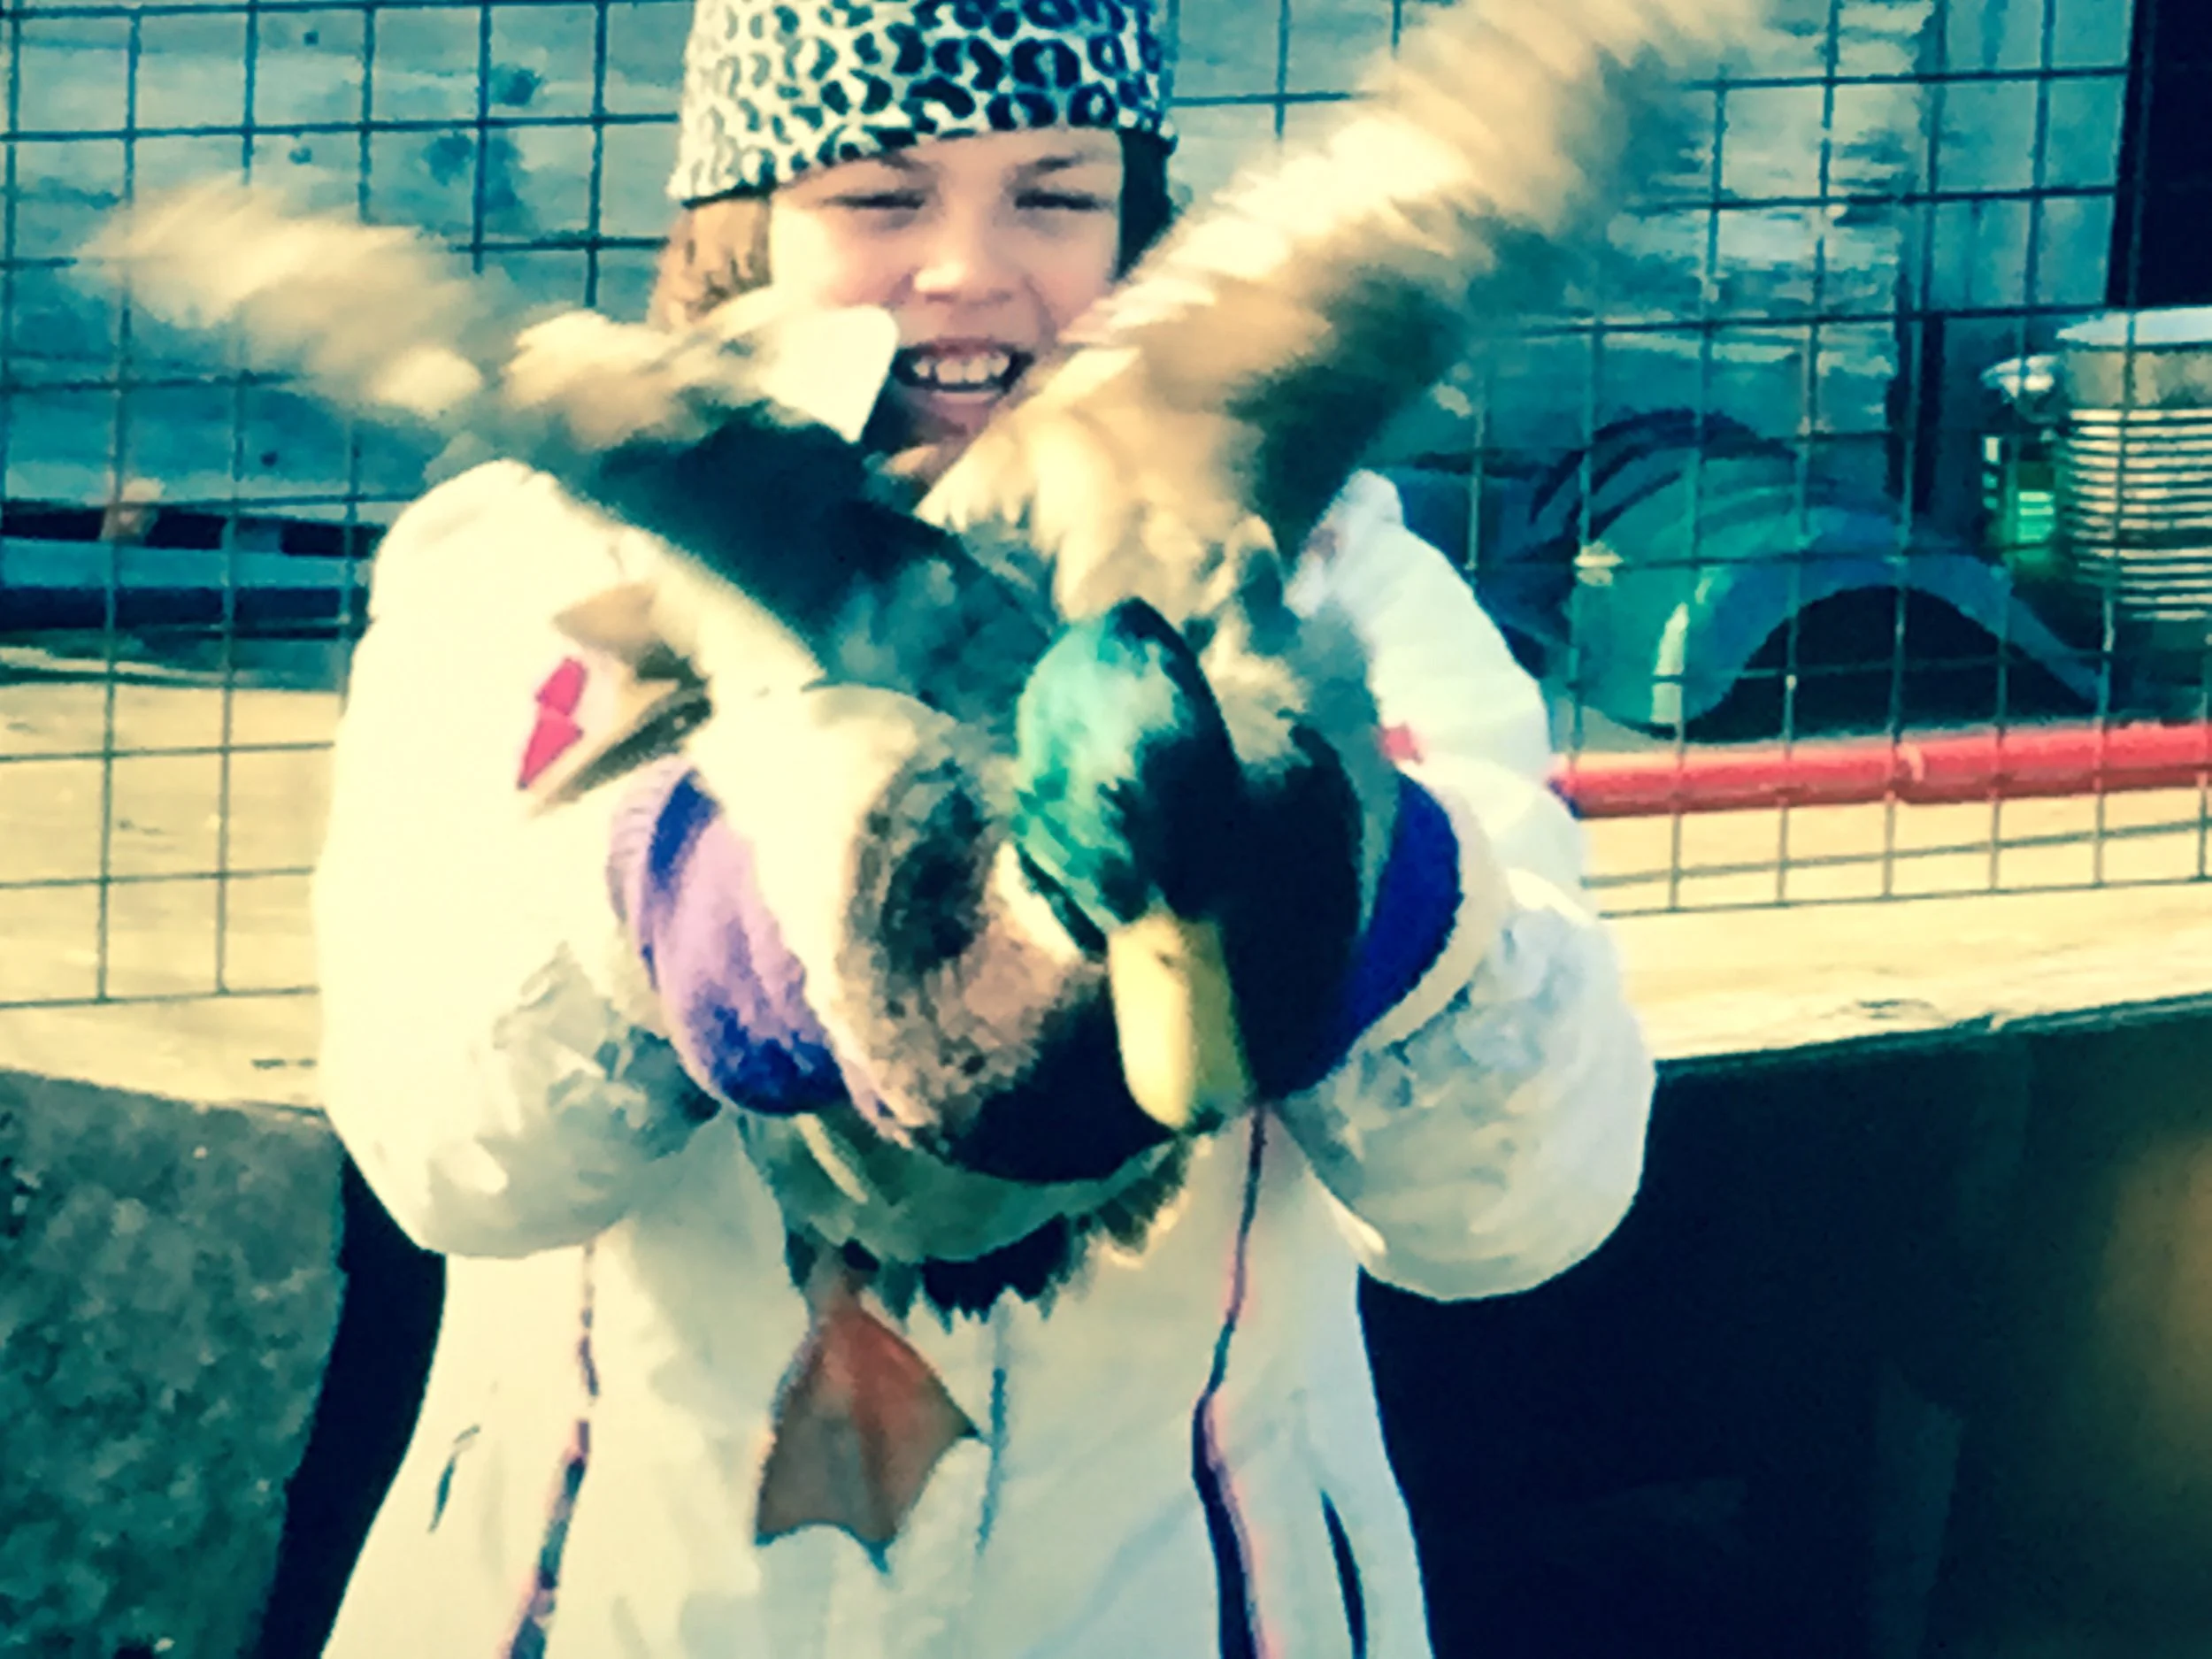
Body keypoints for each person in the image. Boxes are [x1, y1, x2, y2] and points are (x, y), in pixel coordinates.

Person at [308, 0, 1655, 1654]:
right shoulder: (531, 564)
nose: (967, 270)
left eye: (1054, 194)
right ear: (745, 220)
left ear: (1139, 214)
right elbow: (447, 1153)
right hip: (613, 1596)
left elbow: (1529, 1210)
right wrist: (690, 902)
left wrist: (1374, 905)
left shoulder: (1335, 587)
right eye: (880, 196)